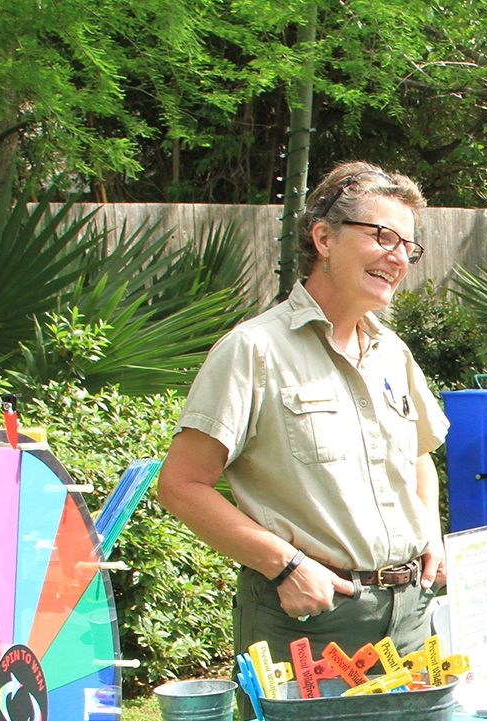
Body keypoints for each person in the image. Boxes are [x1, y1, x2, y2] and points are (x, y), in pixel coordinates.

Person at [158, 162, 447, 671]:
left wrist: (431, 537)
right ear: (323, 238)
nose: (398, 257)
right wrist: (286, 565)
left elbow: (419, 454)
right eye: (383, 236)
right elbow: (181, 485)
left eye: (408, 245)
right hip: (309, 623)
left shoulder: (392, 353)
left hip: (410, 621)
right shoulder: (254, 350)